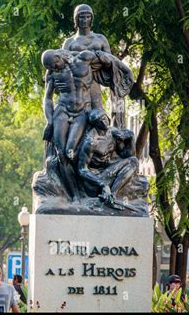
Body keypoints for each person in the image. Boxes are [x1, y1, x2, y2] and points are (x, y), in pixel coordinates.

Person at [42, 48, 133, 202]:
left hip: (81, 112)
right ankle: (75, 197)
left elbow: (109, 59)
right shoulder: (51, 73)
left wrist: (126, 71)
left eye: (54, 64)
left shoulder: (85, 58)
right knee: (62, 154)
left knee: (71, 152)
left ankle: (84, 193)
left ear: (59, 56)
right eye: (51, 67)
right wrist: (49, 121)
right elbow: (48, 98)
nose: (54, 68)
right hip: (62, 111)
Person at [77, 109, 139, 209]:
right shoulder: (91, 141)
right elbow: (82, 169)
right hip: (95, 181)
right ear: (95, 124)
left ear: (107, 117)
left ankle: (112, 196)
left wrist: (131, 138)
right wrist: (102, 184)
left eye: (104, 118)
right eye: (99, 121)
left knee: (134, 161)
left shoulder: (113, 132)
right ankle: (109, 196)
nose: (103, 122)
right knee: (132, 161)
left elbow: (127, 155)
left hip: (108, 172)